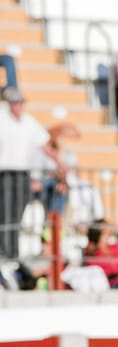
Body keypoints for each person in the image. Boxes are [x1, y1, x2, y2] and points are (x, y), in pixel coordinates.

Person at [0, 88, 65, 258]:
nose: (18, 106)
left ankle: (12, 252)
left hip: (23, 175)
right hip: (5, 173)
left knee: (17, 213)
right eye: (15, 103)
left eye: (20, 102)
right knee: (5, 213)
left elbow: (45, 145)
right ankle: (5, 251)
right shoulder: (2, 119)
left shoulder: (29, 122)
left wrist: (59, 163)